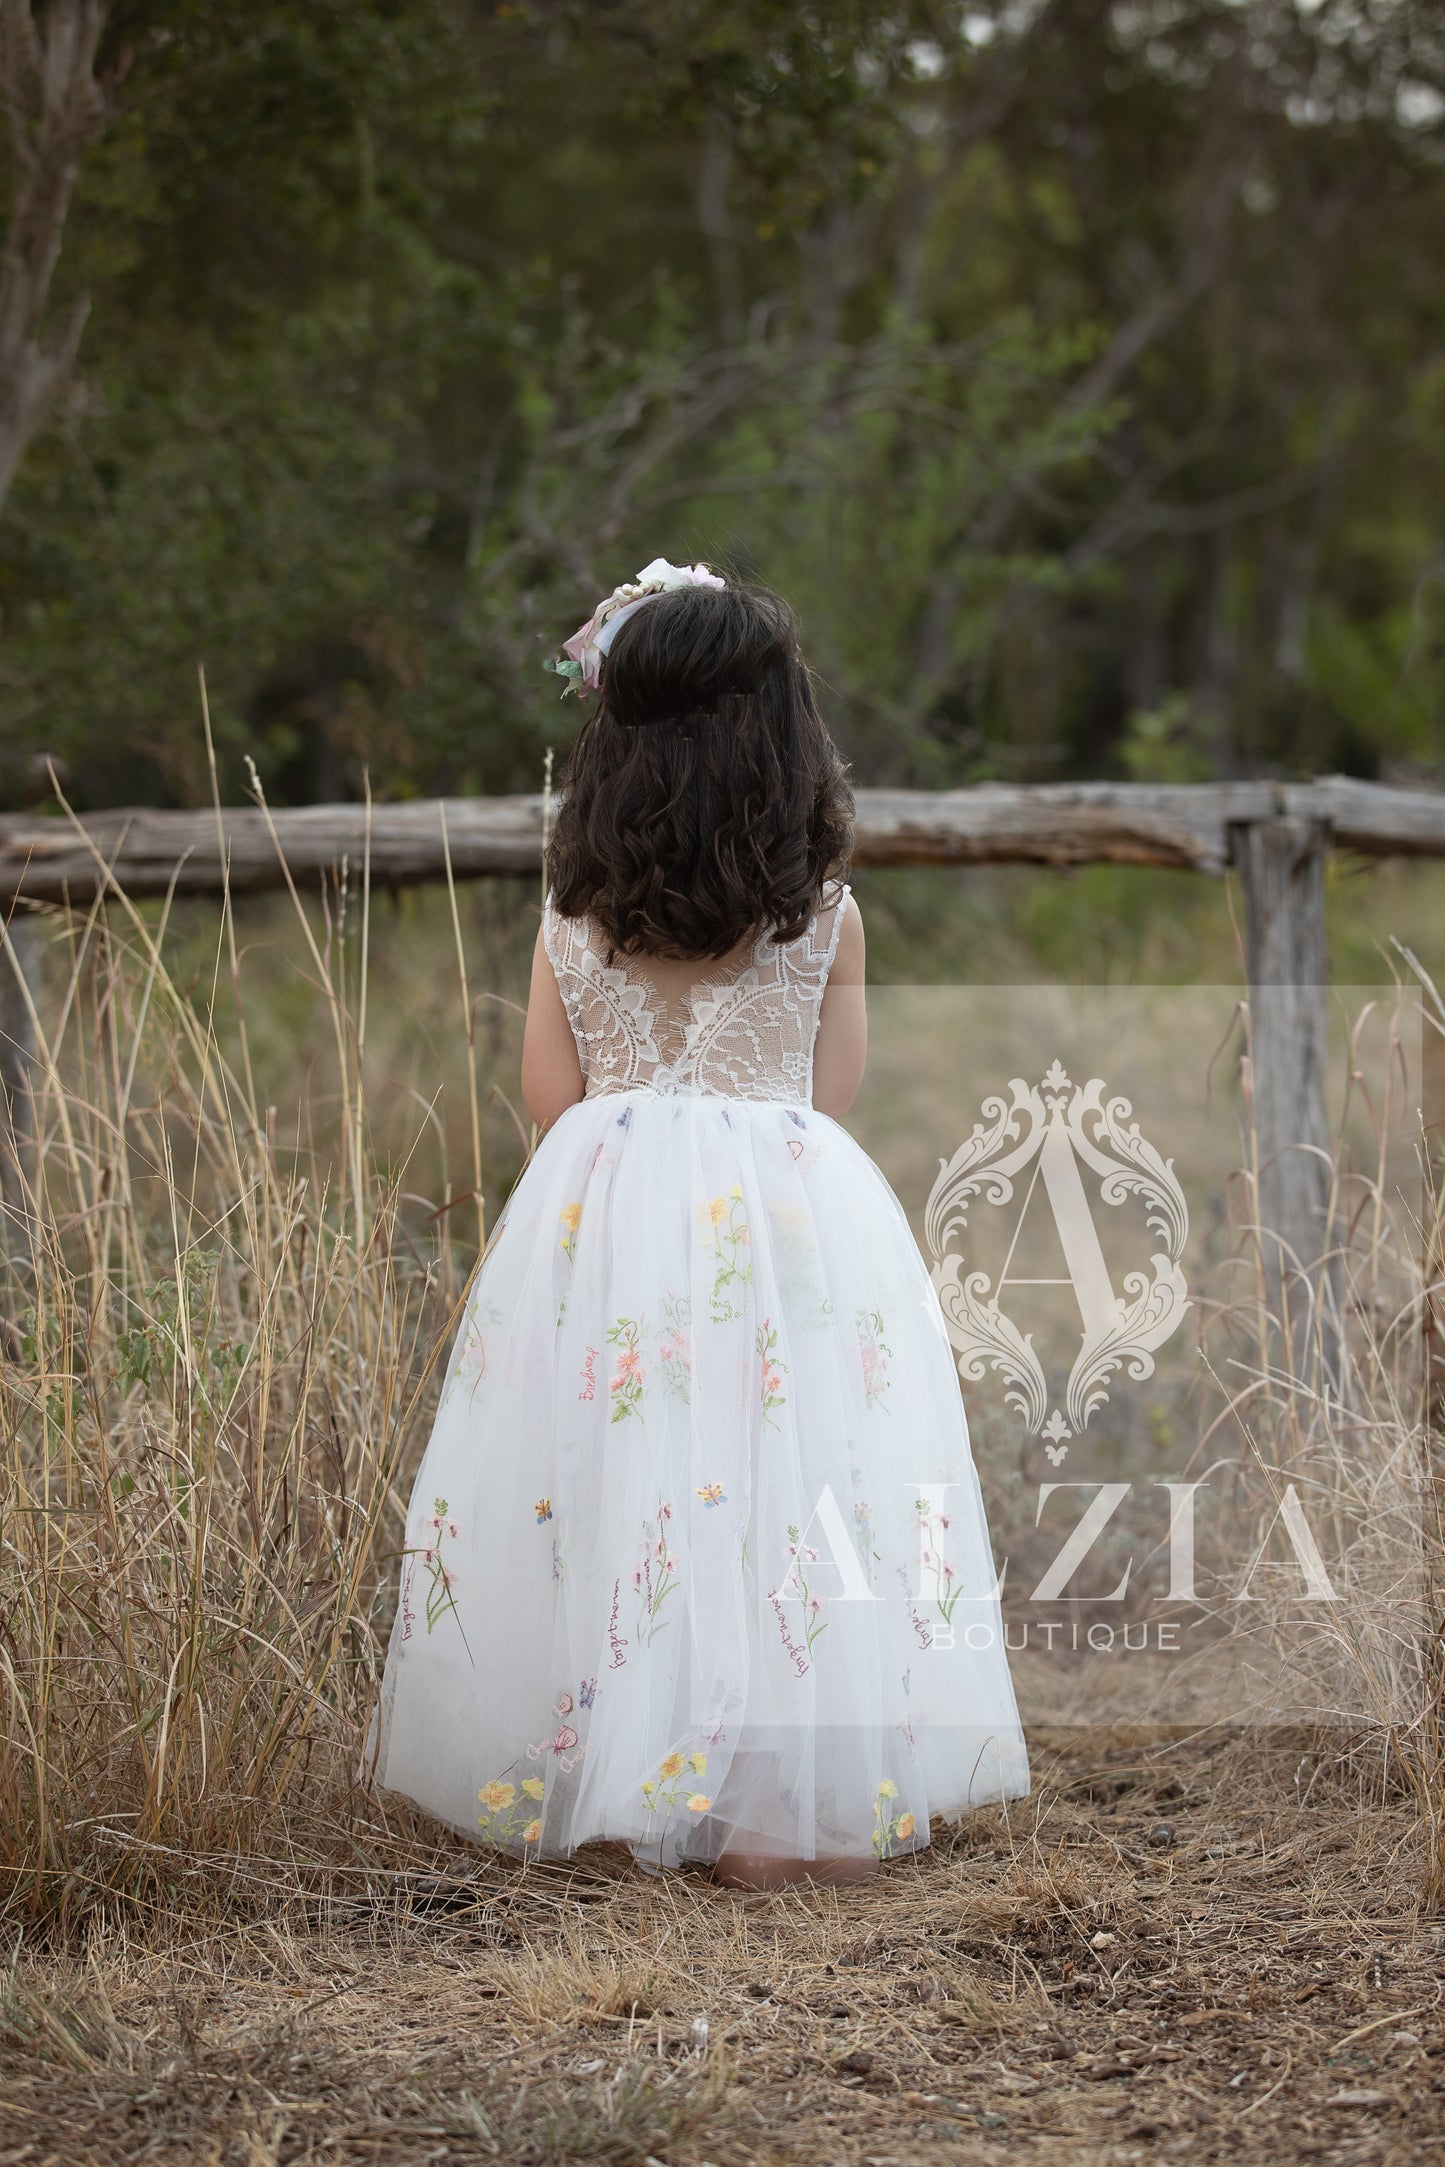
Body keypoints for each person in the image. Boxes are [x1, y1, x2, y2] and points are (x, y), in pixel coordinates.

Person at [369, 559, 1028, 1888]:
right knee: (786, 1482)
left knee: (621, 1480)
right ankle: (778, 1810)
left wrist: (638, 1128)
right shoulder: (826, 918)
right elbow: (825, 1094)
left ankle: (619, 1776)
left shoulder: (572, 920)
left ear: (612, 749)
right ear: (783, 744)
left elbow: (550, 1097)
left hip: (603, 1210)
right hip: (788, 1216)